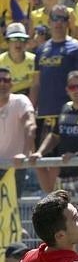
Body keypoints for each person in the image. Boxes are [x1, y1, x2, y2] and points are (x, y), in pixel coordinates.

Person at [30, 5, 78, 193]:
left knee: (61, 165)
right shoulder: (41, 50)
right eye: (55, 18)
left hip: (68, 115)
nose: (58, 22)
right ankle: (50, 199)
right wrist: (31, 110)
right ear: (49, 22)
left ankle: (59, 203)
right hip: (44, 114)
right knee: (37, 158)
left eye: (63, 19)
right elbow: (36, 84)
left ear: (68, 23)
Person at [28, 71, 78, 207]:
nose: (77, 90)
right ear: (67, 90)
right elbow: (54, 136)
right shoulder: (65, 109)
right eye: (72, 87)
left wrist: (77, 155)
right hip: (64, 175)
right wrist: (40, 152)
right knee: (68, 221)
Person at [0, 67, 36, 198]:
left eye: (6, 80)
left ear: (12, 84)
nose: (2, 83)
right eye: (0, 80)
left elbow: (31, 126)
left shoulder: (21, 101)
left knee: (13, 212)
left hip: (15, 167)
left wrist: (24, 154)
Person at [0, 23, 36, 96]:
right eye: (14, 39)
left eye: (22, 39)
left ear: (26, 42)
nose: (18, 43)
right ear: (7, 42)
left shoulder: (35, 60)